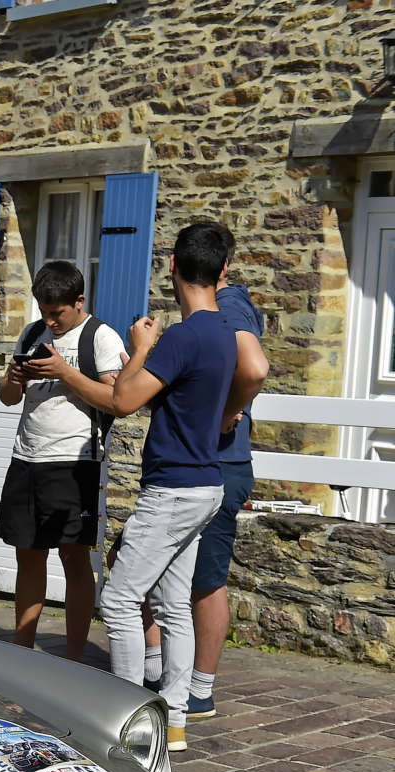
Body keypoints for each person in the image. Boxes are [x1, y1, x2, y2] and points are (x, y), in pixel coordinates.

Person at [88, 223, 242, 751]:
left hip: (173, 488)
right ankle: (172, 720)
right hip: (206, 484)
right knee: (175, 606)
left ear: (172, 265)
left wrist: (139, 347)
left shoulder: (181, 336)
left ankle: (125, 722)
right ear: (223, 272)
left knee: (120, 599)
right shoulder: (224, 332)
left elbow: (124, 400)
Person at [139, 221, 269, 718]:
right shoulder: (220, 308)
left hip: (217, 462)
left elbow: (254, 369)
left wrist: (224, 415)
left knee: (203, 579)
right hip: (205, 464)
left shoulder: (226, 305)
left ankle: (197, 689)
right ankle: (166, 675)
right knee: (173, 576)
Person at [0, 260, 126, 660]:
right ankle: (23, 646)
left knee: (73, 556)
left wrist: (63, 371)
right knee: (27, 552)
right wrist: (14, 379)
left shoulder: (100, 337)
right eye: (45, 311)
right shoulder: (32, 332)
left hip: (75, 461)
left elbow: (116, 401)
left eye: (58, 313)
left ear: (79, 301)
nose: (50, 320)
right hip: (26, 456)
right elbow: (8, 398)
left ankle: (73, 657)